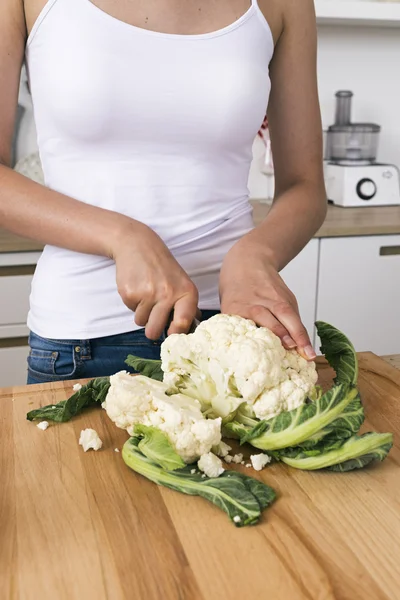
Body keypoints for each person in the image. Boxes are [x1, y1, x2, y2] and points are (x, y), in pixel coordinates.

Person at [0, 0, 327, 384]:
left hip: (235, 334)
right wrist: (123, 237)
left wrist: (255, 256)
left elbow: (305, 186)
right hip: (84, 344)